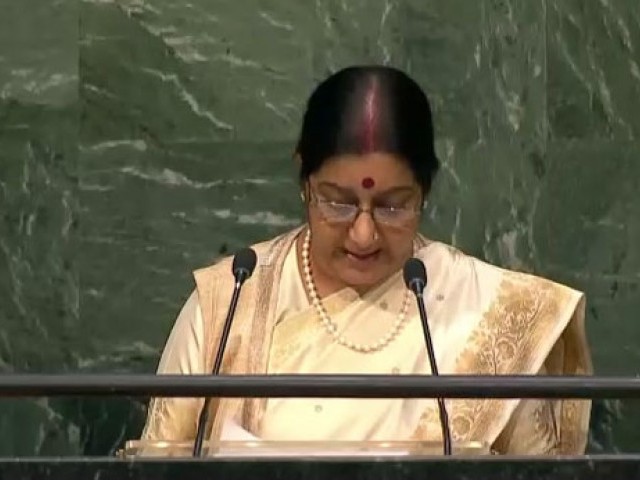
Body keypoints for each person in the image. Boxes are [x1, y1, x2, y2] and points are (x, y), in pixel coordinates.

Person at [140, 65, 592, 455]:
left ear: (426, 190)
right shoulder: (229, 304)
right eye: (336, 203)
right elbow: (157, 467)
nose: (363, 233)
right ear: (304, 180)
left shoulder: (489, 310)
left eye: (393, 206)